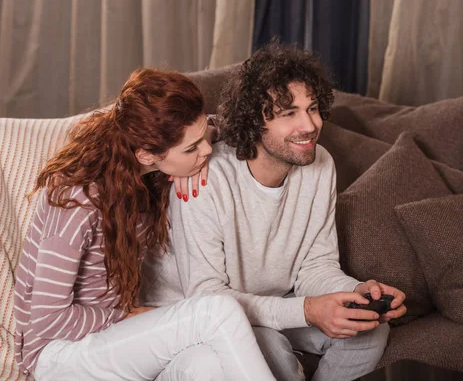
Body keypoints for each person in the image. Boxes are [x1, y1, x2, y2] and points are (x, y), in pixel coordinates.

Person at [141, 42, 408, 380]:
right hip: (199, 316)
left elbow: (315, 264)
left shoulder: (320, 164)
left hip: (274, 304)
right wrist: (308, 311)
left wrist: (354, 293)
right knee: (273, 356)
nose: (309, 125)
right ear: (255, 119)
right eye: (288, 114)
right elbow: (208, 298)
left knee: (369, 332)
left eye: (312, 108)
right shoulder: (204, 179)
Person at [13, 69, 275, 381]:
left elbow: (216, 124)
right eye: (192, 149)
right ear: (146, 155)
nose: (206, 151)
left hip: (112, 345)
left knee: (208, 362)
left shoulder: (143, 171)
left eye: (201, 139)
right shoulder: (78, 198)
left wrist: (201, 142)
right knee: (216, 311)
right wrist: (125, 316)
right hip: (58, 356)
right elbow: (46, 321)